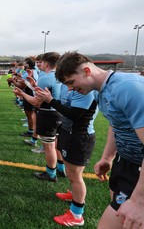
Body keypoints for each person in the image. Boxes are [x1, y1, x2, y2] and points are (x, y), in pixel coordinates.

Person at [55, 51, 144, 229]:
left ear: (87, 71)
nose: (70, 89)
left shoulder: (127, 88)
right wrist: (108, 157)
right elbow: (116, 123)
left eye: (71, 82)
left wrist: (139, 200)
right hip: (126, 162)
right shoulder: (100, 91)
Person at [35, 83, 98, 226]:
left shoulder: (85, 89)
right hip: (69, 133)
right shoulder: (72, 86)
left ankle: (77, 215)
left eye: (69, 81)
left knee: (76, 176)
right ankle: (75, 196)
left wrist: (50, 100)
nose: (68, 86)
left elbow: (74, 115)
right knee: (71, 174)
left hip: (80, 136)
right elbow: (66, 109)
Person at [13, 52, 62, 182]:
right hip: (59, 112)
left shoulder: (45, 77)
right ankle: (61, 168)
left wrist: (22, 93)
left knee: (49, 147)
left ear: (46, 63)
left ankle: (51, 173)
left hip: (48, 114)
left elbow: (36, 102)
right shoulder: (59, 76)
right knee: (56, 143)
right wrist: (33, 85)